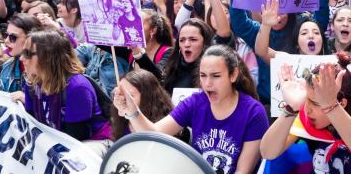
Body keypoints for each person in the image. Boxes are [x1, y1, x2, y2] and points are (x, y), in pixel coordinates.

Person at [114, 45, 268, 174]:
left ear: (233, 75)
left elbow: (243, 172)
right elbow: (154, 134)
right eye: (203, 75)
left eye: (216, 76)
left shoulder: (254, 112)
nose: (207, 83)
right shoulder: (194, 103)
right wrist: (132, 112)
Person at [260, 54, 351, 173]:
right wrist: (292, 109)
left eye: (316, 103)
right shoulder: (308, 113)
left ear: (342, 103)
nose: (307, 108)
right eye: (307, 100)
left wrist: (331, 107)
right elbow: (268, 152)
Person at [21, 30, 112, 143]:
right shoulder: (32, 83)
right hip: (54, 141)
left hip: (92, 143)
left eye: (28, 54)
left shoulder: (77, 88)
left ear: (48, 57)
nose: (22, 58)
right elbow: (32, 125)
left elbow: (75, 139)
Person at [110, 69, 174, 141]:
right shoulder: (121, 120)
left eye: (130, 95)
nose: (122, 99)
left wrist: (132, 113)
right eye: (121, 94)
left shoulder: (164, 123)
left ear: (147, 97)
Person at [0, 14, 42, 99]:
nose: (6, 41)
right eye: (6, 35)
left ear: (31, 38)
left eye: (13, 37)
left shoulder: (46, 70)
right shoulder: (8, 66)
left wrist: (27, 101)